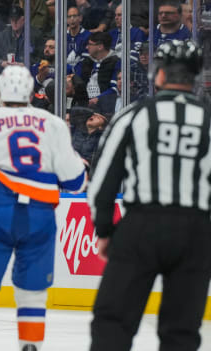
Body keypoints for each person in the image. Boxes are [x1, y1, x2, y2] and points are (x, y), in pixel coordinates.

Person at [0, 65, 87, 351]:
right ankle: (30, 346)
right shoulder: (52, 123)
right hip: (40, 216)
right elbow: (75, 182)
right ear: (30, 93)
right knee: (33, 294)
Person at [87, 40, 211, 351]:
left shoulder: (134, 115)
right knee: (182, 330)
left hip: (141, 226)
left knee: (113, 320)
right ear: (196, 77)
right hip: (197, 230)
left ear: (159, 75)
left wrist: (104, 229)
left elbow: (102, 179)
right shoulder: (209, 120)